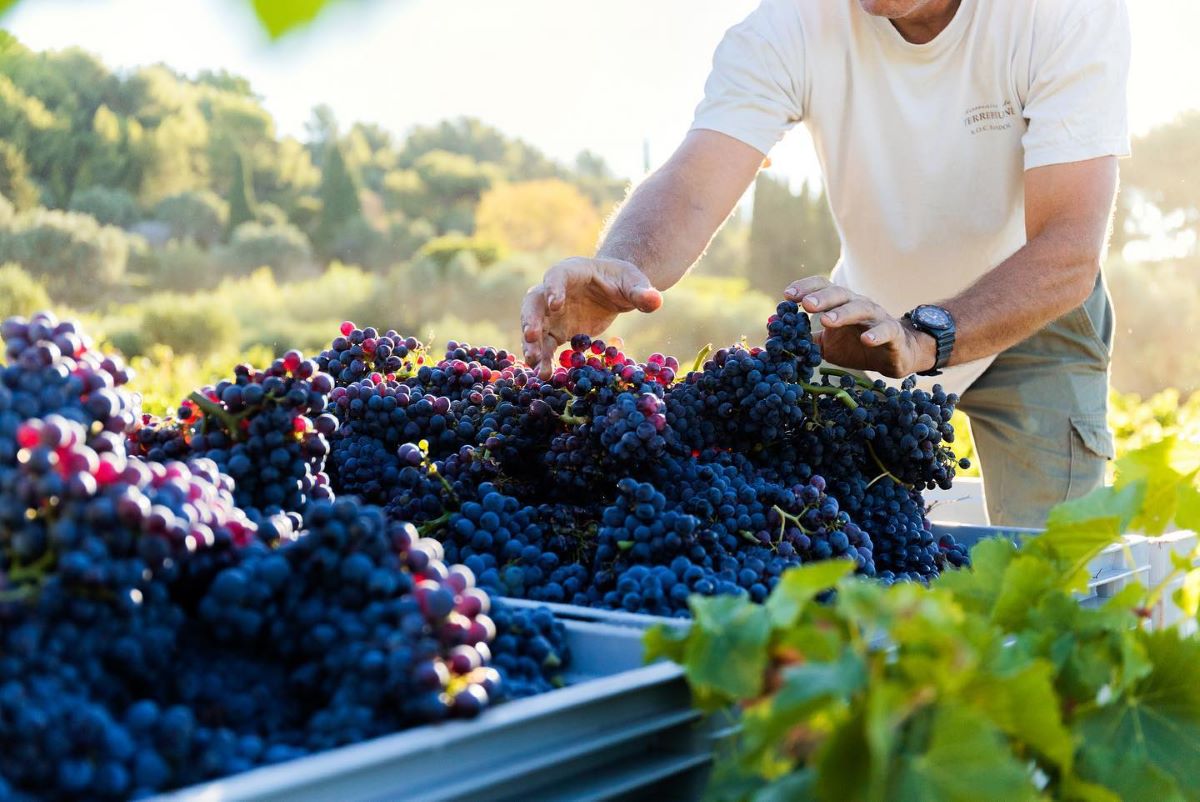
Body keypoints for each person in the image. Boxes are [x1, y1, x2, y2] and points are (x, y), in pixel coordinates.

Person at [520, 0, 1130, 528]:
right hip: (865, 328)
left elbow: (1068, 247)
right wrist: (620, 267)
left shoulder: (1063, 13)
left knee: (1052, 583)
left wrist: (924, 338)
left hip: (1032, 312)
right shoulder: (791, 23)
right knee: (827, 556)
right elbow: (696, 178)